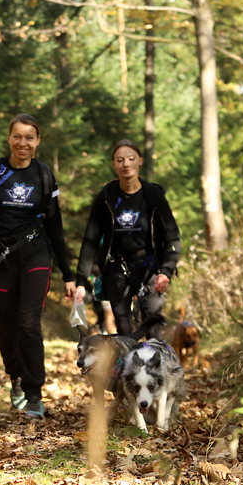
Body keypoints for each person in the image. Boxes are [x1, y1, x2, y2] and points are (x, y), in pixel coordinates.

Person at [0, 114, 76, 418]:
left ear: (38, 141)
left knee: (29, 322)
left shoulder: (44, 175)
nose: (23, 143)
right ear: (9, 138)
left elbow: (56, 227)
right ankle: (16, 378)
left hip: (36, 255)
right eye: (17, 136)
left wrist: (69, 275)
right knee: (7, 327)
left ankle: (34, 393)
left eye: (29, 137)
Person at [74, 139, 181, 339]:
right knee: (124, 331)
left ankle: (155, 359)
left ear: (140, 161)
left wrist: (166, 271)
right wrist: (80, 281)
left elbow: (172, 238)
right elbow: (90, 240)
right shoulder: (106, 197)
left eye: (131, 159)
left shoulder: (154, 195)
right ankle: (129, 360)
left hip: (150, 268)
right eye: (120, 160)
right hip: (117, 269)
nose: (126, 164)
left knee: (152, 327)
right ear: (114, 164)